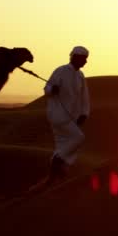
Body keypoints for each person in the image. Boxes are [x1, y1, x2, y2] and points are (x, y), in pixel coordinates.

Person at [44, 46, 90, 184]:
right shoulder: (61, 71)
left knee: (63, 144)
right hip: (58, 114)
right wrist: (53, 89)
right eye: (83, 59)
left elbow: (84, 96)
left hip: (71, 116)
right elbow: (47, 89)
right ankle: (59, 162)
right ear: (75, 57)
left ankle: (56, 175)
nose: (85, 62)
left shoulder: (80, 75)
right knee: (78, 138)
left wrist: (84, 113)